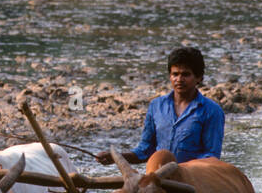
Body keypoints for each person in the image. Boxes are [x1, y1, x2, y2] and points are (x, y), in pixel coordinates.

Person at [96, 45, 224, 166]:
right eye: (175, 74)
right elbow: (144, 151)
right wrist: (116, 157)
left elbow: (211, 157)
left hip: (192, 181)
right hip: (158, 179)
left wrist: (182, 172)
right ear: (170, 76)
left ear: (199, 78)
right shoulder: (156, 106)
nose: (179, 79)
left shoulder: (212, 111)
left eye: (185, 74)